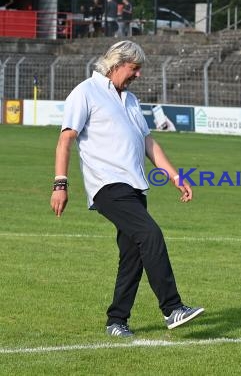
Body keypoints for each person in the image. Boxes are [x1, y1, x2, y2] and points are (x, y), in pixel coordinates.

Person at [50, 41, 204, 338]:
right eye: (134, 68)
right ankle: (172, 308)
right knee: (150, 234)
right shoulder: (85, 92)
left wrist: (175, 176)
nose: (138, 75)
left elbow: (148, 143)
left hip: (135, 187)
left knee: (133, 253)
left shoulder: (130, 100)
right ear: (116, 64)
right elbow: (66, 139)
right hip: (107, 185)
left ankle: (116, 321)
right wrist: (60, 184)